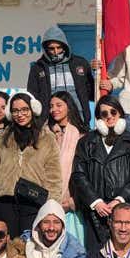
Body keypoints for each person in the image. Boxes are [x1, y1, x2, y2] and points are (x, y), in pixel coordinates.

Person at [70, 96, 130, 251]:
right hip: (95, 213)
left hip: (124, 212)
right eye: (104, 113)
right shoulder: (86, 142)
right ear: (99, 118)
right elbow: (79, 174)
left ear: (120, 114)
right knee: (96, 257)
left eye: (113, 112)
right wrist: (96, 202)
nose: (109, 116)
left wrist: (120, 199)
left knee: (123, 254)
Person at [0, 92, 63, 235]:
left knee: (30, 243)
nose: (20, 114)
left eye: (24, 109)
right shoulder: (3, 137)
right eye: (15, 111)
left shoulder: (47, 138)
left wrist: (52, 204)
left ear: (33, 109)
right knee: (7, 243)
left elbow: (54, 176)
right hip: (5, 201)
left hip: (34, 201)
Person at [27, 25, 96, 123]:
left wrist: (96, 72)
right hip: (50, 121)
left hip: (79, 119)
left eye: (59, 47)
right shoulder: (38, 68)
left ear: (65, 46)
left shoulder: (80, 63)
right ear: (45, 49)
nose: (56, 52)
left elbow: (92, 93)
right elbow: (33, 96)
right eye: (51, 48)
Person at [46, 91, 89, 241]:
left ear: (69, 107)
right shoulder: (46, 134)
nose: (54, 109)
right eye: (51, 106)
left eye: (59, 105)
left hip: (73, 201)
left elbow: (85, 171)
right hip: (49, 201)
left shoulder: (82, 135)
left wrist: (73, 201)